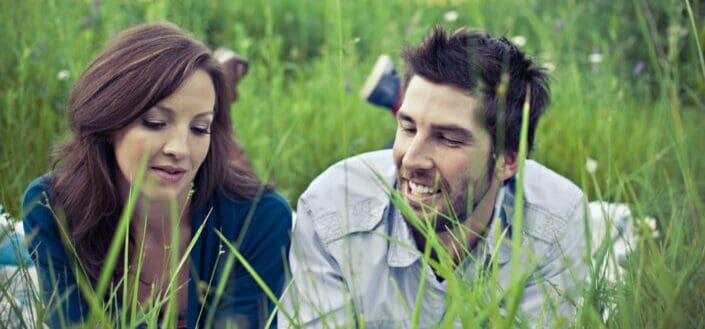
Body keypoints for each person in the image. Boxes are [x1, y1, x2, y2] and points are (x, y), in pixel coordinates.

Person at [279, 27, 588, 328]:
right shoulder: (333, 208)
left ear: (507, 160)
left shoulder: (556, 220)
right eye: (408, 128)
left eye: (449, 139)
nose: (410, 159)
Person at [22, 22, 291, 329]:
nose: (180, 149)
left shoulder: (261, 220)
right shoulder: (52, 208)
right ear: (109, 119)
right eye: (154, 122)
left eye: (200, 128)